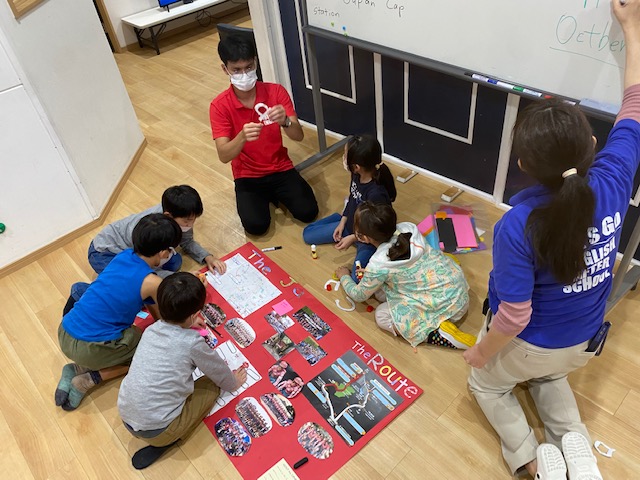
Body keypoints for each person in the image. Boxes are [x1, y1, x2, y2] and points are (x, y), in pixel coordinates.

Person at [464, 2, 640, 477]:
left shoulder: (517, 225)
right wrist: (632, 27)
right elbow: (636, 103)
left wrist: (481, 354)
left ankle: (529, 458)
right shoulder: (614, 181)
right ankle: (574, 447)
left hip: (532, 343)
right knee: (549, 374)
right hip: (584, 341)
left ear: (523, 166)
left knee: (486, 383)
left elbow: (513, 316)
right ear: (593, 147)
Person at [117, 273, 247, 469]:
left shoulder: (151, 330)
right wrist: (233, 382)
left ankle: (164, 436)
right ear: (195, 314)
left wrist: (188, 322)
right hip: (158, 431)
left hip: (126, 415)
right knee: (212, 384)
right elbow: (219, 372)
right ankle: (168, 441)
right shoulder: (192, 343)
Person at [55, 213, 182, 411]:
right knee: (148, 352)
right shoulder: (153, 282)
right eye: (171, 251)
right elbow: (162, 316)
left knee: (129, 334)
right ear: (163, 252)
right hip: (88, 348)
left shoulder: (123, 255)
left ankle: (76, 368)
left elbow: (150, 303)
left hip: (65, 331)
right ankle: (89, 379)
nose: (170, 256)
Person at [209, 34, 318, 235]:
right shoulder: (219, 106)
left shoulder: (276, 92)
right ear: (225, 69)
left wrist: (286, 121)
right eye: (236, 70)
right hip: (247, 175)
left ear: (256, 62)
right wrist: (241, 137)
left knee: (308, 212)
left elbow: (298, 136)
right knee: (256, 227)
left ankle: (274, 195)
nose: (244, 74)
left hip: (280, 167)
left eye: (249, 67)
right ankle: (266, 197)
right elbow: (224, 155)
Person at [336, 202, 475, 349]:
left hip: (449, 308)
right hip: (456, 286)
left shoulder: (378, 264)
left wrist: (344, 276)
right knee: (382, 291)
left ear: (364, 238)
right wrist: (372, 275)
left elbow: (358, 295)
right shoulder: (409, 227)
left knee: (382, 315)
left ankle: (437, 335)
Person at [304, 135, 396, 281]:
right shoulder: (356, 174)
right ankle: (338, 219)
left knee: (356, 278)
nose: (344, 158)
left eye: (346, 155)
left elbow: (374, 228)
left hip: (368, 237)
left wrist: (353, 238)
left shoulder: (376, 194)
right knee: (308, 235)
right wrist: (342, 222)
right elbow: (353, 198)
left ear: (357, 166)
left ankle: (352, 235)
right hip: (351, 225)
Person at [88, 185, 226, 277]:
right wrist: (179, 279)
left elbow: (187, 241)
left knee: (175, 262)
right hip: (104, 252)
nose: (191, 224)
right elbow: (142, 268)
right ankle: (82, 292)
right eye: (187, 221)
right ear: (168, 216)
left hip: (137, 252)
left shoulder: (180, 213)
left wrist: (208, 257)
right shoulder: (147, 232)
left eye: (194, 219)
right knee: (131, 285)